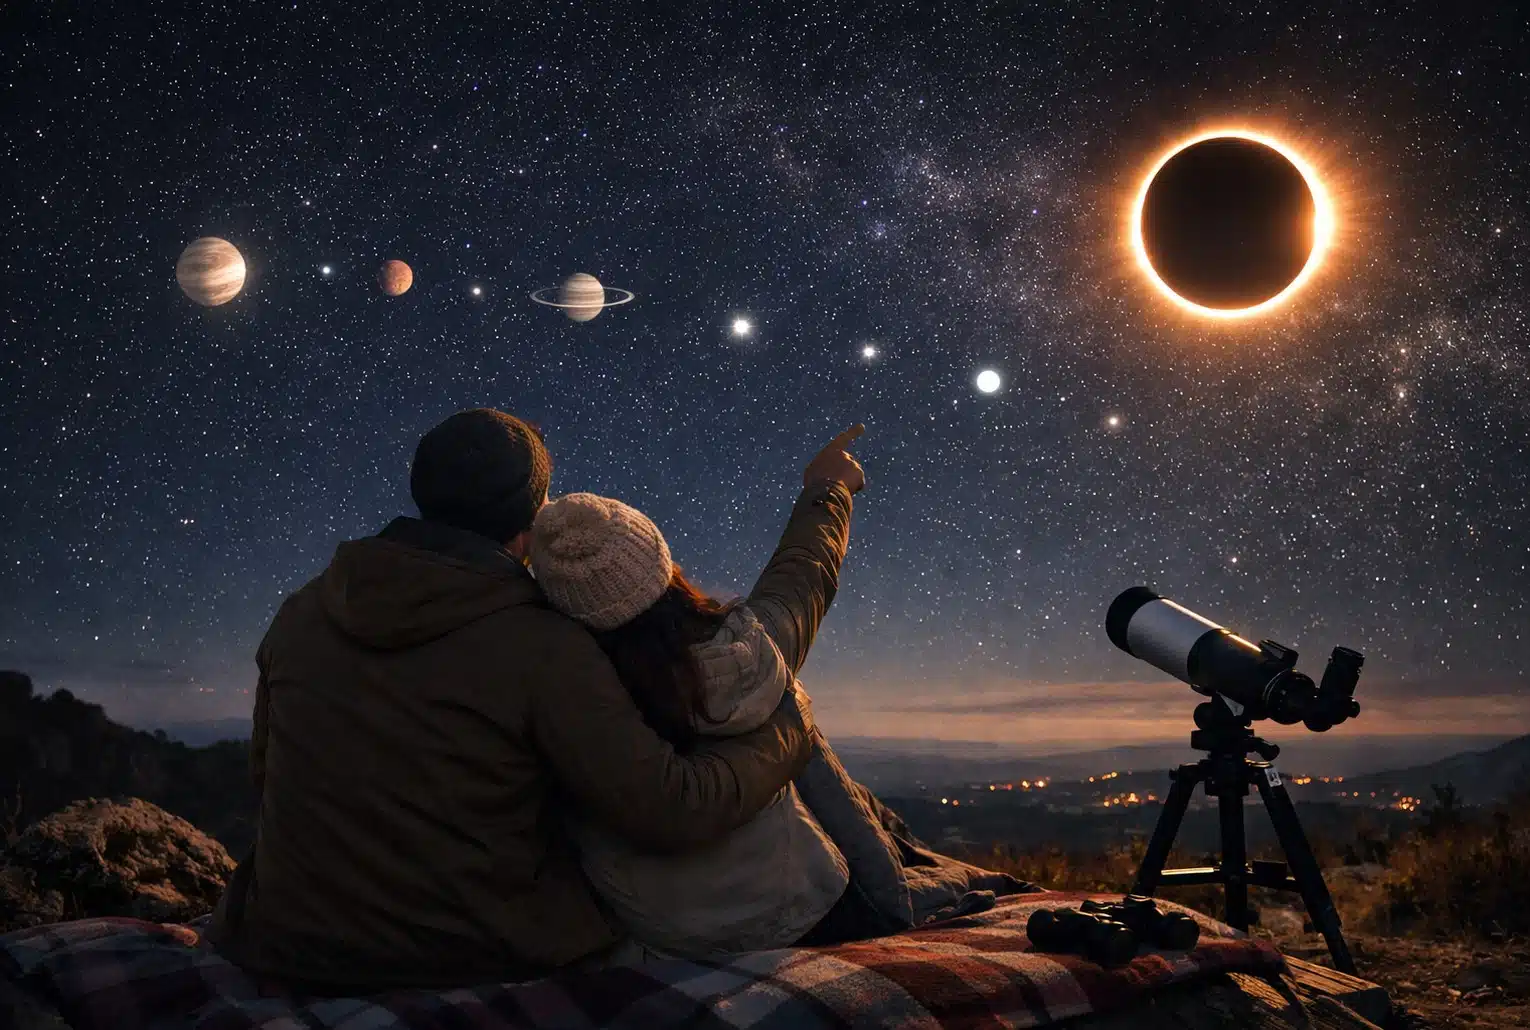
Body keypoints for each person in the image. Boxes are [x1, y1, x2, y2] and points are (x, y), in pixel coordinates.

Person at [206, 408, 819, 993]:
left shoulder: (300, 614)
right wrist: (789, 728)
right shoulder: (541, 644)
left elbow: (266, 774)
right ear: (531, 523)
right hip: (476, 955)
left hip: (281, 939)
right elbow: (673, 808)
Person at [529, 425, 884, 956]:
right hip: (802, 910)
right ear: (662, 566)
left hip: (658, 932)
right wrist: (828, 487)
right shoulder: (748, 650)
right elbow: (805, 572)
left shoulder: (566, 693)